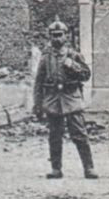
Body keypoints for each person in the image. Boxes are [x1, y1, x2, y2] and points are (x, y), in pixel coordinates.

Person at [34, 19, 95, 179]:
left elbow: (86, 75)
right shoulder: (45, 58)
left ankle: (89, 168)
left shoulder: (74, 55)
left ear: (66, 36)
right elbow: (38, 83)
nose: (57, 39)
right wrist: (38, 105)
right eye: (54, 35)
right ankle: (56, 169)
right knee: (54, 136)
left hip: (71, 99)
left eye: (60, 35)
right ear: (50, 37)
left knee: (80, 134)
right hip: (53, 99)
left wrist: (72, 65)